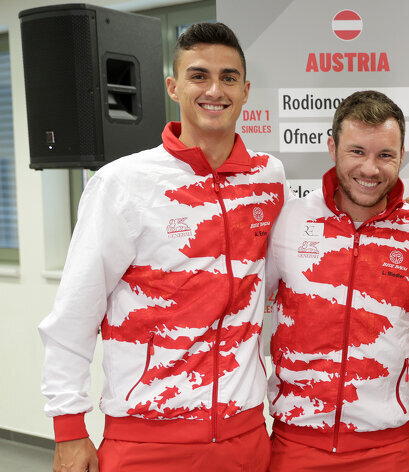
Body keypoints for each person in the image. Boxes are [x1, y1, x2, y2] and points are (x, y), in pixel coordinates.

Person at [38, 23, 289, 472]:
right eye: (199, 76)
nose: (215, 89)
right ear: (173, 87)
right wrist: (69, 429)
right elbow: (73, 317)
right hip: (148, 444)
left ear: (247, 90)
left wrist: (401, 209)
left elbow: (325, 224)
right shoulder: (122, 184)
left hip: (246, 439)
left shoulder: (267, 178)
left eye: (229, 77)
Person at [265, 90, 409, 472]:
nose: (370, 169)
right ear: (332, 147)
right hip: (295, 442)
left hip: (385, 450)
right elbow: (247, 302)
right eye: (357, 152)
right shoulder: (289, 220)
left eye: (385, 155)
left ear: (402, 155)